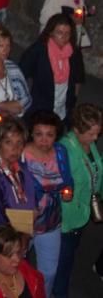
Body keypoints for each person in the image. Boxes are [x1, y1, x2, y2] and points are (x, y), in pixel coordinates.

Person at [22, 110, 72, 292]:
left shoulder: (60, 151)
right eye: (39, 134)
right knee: (18, 269)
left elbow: (67, 178)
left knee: (49, 272)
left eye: (50, 135)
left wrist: (68, 191)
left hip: (51, 220)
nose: (44, 140)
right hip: (25, 221)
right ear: (31, 134)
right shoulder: (21, 155)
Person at [56, 102, 103, 298]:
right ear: (76, 129)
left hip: (82, 212)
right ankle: (59, 292)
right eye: (91, 134)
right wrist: (80, 212)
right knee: (63, 261)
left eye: (97, 133)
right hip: (69, 219)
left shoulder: (88, 143)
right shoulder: (64, 150)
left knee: (72, 250)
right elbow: (62, 191)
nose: (95, 138)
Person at [19, 14, 83, 122]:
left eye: (68, 33)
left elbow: (78, 78)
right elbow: (21, 74)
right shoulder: (38, 50)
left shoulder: (74, 53)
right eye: (60, 33)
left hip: (63, 105)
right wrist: (24, 100)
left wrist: (72, 101)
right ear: (51, 32)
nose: (64, 37)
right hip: (41, 105)